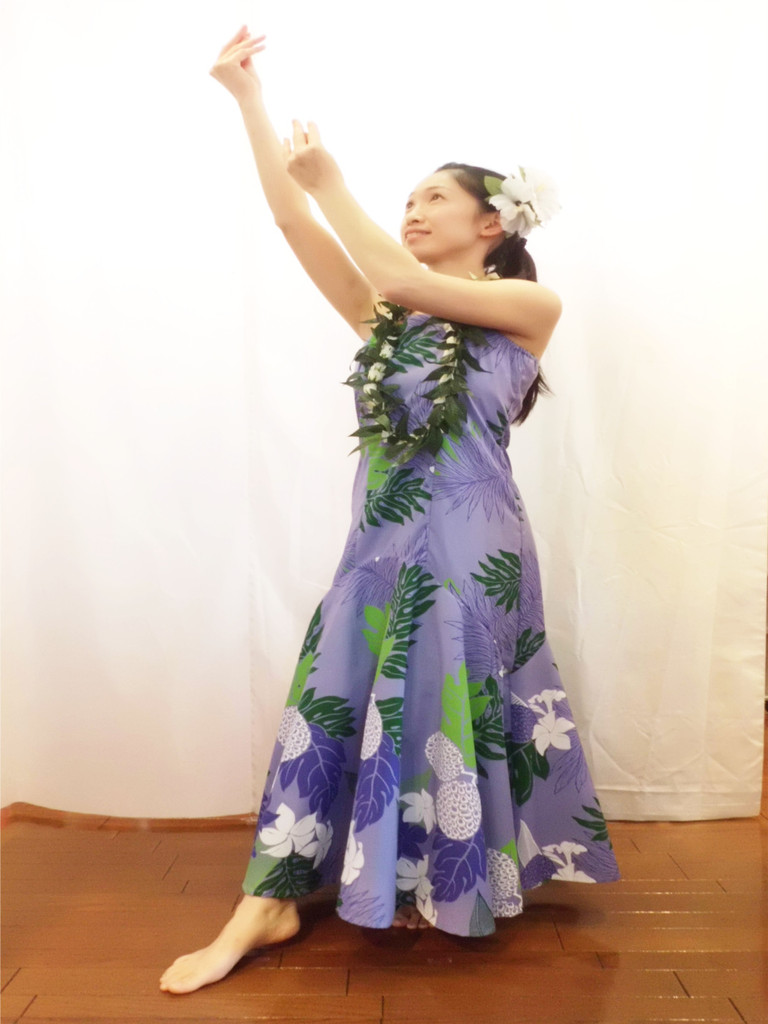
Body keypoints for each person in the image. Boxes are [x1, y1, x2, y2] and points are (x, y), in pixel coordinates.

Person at [160, 26, 620, 995]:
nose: (411, 211)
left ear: (492, 223)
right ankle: (269, 899)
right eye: (405, 200)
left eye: (432, 198)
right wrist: (246, 98)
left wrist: (337, 184)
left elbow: (402, 275)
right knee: (336, 693)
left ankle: (446, 883)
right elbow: (294, 224)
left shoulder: (530, 311)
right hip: (377, 543)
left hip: (470, 543)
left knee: (440, 694)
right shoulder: (388, 323)